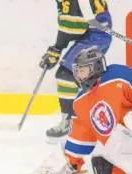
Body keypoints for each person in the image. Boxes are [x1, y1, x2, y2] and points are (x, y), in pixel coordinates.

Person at [44, 46, 132, 174]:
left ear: (96, 67)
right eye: (77, 71)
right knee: (106, 154)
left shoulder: (119, 76)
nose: (78, 75)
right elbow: (80, 138)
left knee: (122, 128)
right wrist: (64, 163)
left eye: (82, 70)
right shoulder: (81, 102)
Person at [39, 0, 112, 142]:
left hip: (95, 36)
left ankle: (69, 124)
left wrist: (57, 49)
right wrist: (57, 49)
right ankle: (92, 120)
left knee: (66, 74)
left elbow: (74, 27)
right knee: (81, 78)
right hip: (95, 33)